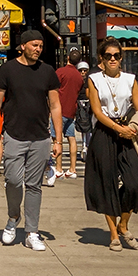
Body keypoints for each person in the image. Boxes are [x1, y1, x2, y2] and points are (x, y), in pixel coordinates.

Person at [0, 29, 61, 251]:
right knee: (14, 181)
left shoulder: (47, 71)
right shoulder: (7, 69)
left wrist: (58, 140)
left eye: (40, 46)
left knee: (35, 186)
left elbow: (55, 106)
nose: (38, 49)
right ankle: (12, 218)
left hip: (40, 137)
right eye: (34, 45)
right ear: (23, 46)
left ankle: (32, 232)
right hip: (13, 134)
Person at [84, 41, 138, 249]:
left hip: (128, 131)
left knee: (133, 183)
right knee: (106, 183)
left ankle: (124, 224)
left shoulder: (130, 79)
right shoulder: (94, 80)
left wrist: (136, 124)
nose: (113, 59)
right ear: (101, 58)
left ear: (121, 58)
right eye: (108, 55)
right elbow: (97, 111)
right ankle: (113, 234)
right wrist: (117, 128)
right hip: (105, 132)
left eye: (117, 55)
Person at [53, 52, 86, 182]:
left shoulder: (60, 72)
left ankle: (59, 168)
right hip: (71, 110)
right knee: (71, 138)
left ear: (67, 58)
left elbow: (53, 88)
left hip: (59, 109)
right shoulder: (79, 77)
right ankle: (72, 169)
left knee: (57, 139)